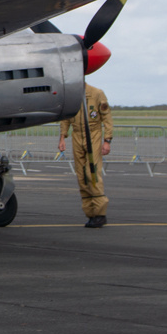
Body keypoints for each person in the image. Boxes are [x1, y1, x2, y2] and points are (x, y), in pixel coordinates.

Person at [57, 83, 114, 227]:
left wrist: (107, 140)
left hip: (93, 134)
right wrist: (63, 137)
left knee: (92, 173)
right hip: (77, 135)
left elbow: (107, 118)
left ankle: (100, 213)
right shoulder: (71, 95)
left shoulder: (97, 93)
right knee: (81, 176)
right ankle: (90, 213)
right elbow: (65, 117)